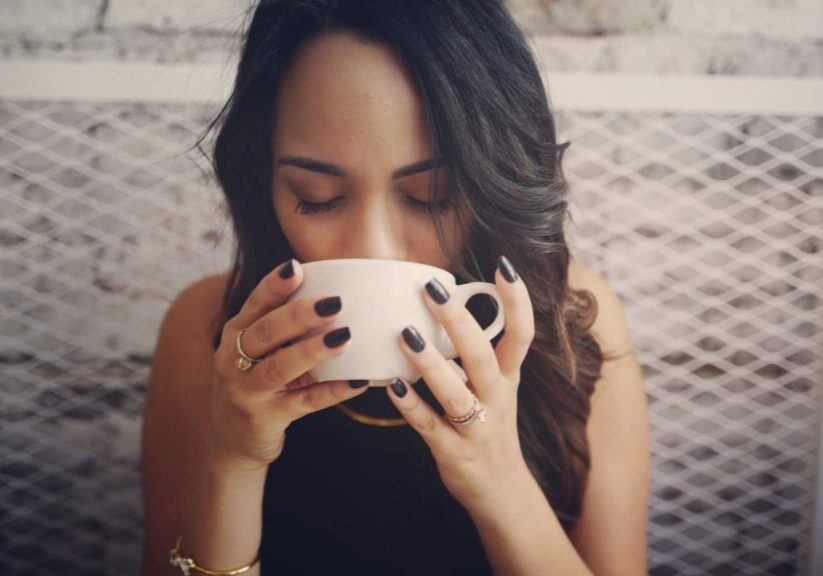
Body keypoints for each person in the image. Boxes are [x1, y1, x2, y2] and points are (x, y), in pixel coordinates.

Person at [141, 1, 650, 574]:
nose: (374, 248)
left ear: (491, 180)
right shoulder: (211, 328)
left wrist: (499, 480)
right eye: (317, 195)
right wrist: (233, 462)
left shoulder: (570, 319)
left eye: (431, 195)